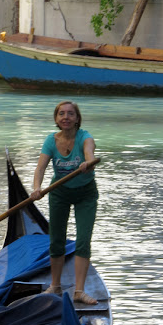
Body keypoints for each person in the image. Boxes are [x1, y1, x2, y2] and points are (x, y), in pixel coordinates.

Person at [30, 100, 98, 305]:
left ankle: (79, 291)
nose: (66, 117)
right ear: (56, 119)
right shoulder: (51, 141)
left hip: (86, 194)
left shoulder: (85, 138)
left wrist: (88, 163)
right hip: (59, 192)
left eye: (70, 114)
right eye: (61, 114)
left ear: (77, 119)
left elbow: (90, 154)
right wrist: (36, 188)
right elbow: (40, 168)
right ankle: (56, 286)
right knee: (56, 239)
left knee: (83, 240)